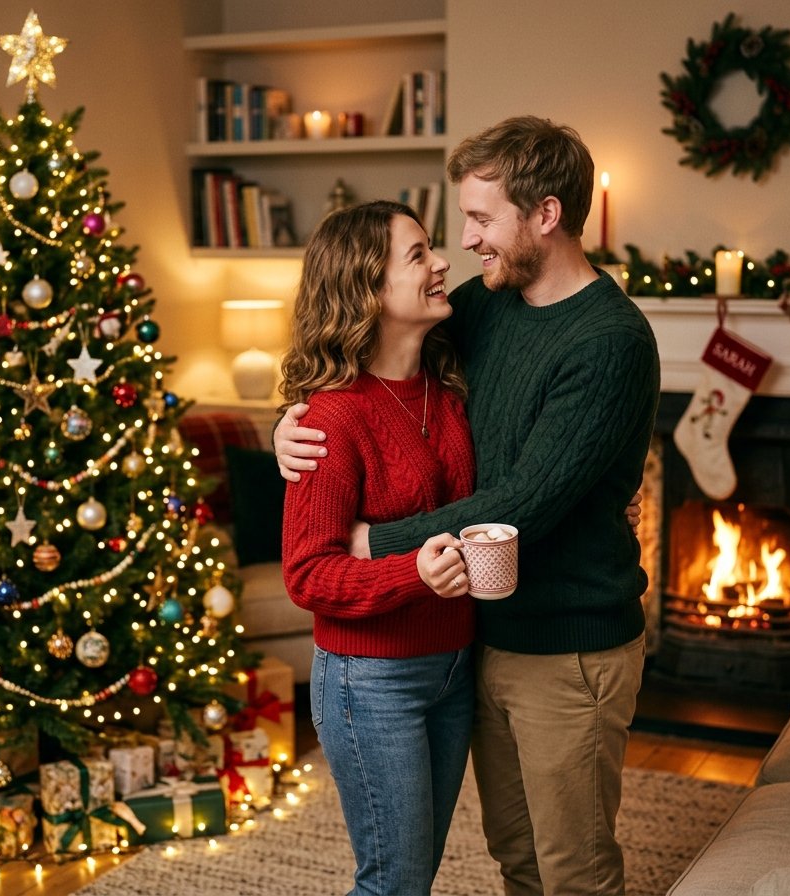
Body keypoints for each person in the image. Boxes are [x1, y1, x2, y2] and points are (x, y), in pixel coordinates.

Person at [275, 116, 661, 895]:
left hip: (568, 649)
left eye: (483, 219)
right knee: (514, 859)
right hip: (480, 641)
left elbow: (521, 502)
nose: (466, 244)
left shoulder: (609, 341)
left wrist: (375, 542)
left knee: (574, 873)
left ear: (545, 216)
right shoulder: (486, 307)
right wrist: (288, 423)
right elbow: (365, 360)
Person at [279, 199, 479, 896]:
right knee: (392, 883)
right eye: (419, 255)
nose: (443, 262)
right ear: (368, 286)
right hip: (372, 682)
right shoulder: (331, 416)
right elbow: (307, 575)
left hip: (454, 668)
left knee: (414, 876)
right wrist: (414, 572)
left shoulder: (447, 384)